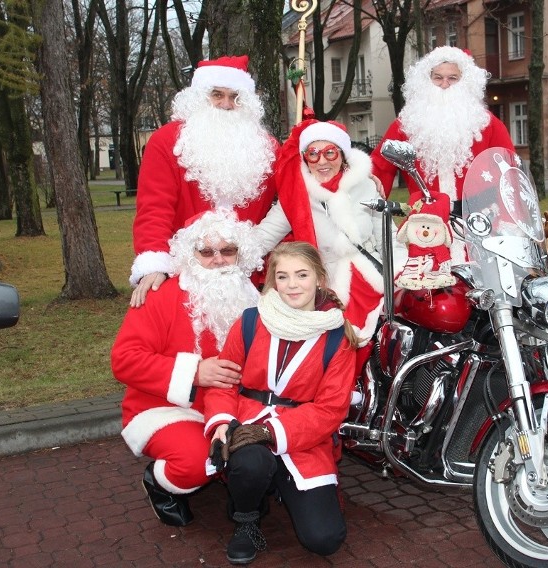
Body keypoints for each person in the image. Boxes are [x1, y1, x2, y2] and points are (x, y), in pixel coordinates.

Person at [204, 242, 358, 565]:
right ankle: (247, 518)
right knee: (251, 463)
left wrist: (272, 432)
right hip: (246, 422)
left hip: (304, 439)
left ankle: (277, 485)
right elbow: (225, 382)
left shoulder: (337, 336)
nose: (292, 285)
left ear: (318, 278)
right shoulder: (249, 321)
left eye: (301, 275)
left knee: (324, 539)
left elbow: (330, 410)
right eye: (283, 276)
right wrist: (221, 425)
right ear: (273, 280)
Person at [112, 210, 265, 527]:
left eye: (228, 250)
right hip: (168, 407)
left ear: (242, 253)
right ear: (190, 255)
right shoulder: (161, 296)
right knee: (196, 464)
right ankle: (158, 483)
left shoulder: (256, 297)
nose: (219, 260)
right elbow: (124, 359)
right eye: (206, 252)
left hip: (235, 404)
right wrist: (195, 372)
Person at [130, 54, 277, 307]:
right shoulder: (166, 142)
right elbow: (154, 209)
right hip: (186, 272)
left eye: (235, 97)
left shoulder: (268, 148)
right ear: (199, 97)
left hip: (248, 277)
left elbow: (292, 201)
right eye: (217, 94)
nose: (227, 104)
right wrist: (155, 263)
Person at [254, 119, 403, 346]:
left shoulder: (367, 186)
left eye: (330, 153)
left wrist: (401, 272)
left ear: (342, 155)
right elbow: (263, 237)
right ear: (306, 158)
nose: (322, 161)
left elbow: (389, 239)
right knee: (336, 347)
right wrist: (225, 253)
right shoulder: (297, 197)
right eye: (313, 154)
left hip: (374, 279)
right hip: (328, 287)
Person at [371, 46, 515, 262]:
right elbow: (377, 169)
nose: (445, 84)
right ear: (426, 81)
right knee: (427, 291)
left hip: (479, 225)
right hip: (425, 227)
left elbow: (509, 175)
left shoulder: (489, 125)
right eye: (437, 78)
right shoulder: (405, 125)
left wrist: (508, 222)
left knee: (479, 290)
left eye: (453, 78)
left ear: (465, 81)